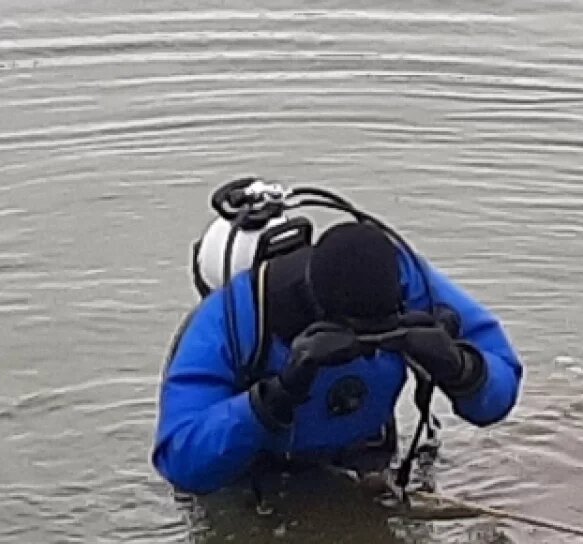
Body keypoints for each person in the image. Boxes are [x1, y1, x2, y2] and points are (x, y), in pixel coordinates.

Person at [151, 183, 523, 496]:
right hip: (258, 482)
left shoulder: (406, 277)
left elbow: (499, 393)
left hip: (366, 459)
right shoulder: (232, 320)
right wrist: (276, 395)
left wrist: (461, 368)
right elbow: (181, 463)